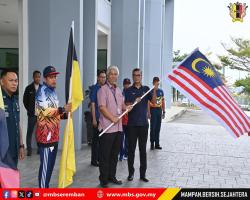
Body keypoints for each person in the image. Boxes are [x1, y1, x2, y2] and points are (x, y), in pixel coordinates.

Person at [36, 66, 71, 188]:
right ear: (45, 79)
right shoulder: (42, 91)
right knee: (45, 167)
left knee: (50, 167)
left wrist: (65, 115)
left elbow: (54, 114)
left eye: (55, 77)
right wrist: (62, 109)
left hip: (54, 137)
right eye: (51, 77)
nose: (54, 79)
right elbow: (44, 111)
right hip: (45, 137)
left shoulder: (53, 93)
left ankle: (45, 188)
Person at [97, 66, 132, 188]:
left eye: (115, 74)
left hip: (118, 128)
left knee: (114, 154)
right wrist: (112, 118)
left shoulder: (118, 90)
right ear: (107, 75)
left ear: (117, 75)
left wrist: (126, 108)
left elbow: (121, 104)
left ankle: (112, 176)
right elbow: (102, 107)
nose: (113, 76)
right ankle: (103, 179)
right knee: (105, 155)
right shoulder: (103, 90)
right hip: (107, 128)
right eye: (111, 74)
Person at [125, 68, 156, 182]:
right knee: (131, 150)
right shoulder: (128, 90)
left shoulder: (146, 89)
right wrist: (134, 101)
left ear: (141, 76)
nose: (136, 77)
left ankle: (142, 175)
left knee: (143, 150)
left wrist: (154, 90)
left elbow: (153, 101)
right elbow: (126, 104)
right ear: (133, 76)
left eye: (138, 75)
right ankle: (131, 174)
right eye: (135, 75)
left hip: (143, 125)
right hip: (132, 125)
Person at [0, 70, 25, 169]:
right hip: (3, 152)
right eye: (11, 80)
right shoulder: (0, 101)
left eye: (16, 81)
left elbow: (17, 123)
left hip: (14, 151)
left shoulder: (15, 100)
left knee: (11, 180)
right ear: (2, 82)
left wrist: (21, 145)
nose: (14, 83)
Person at [90, 70, 106, 167]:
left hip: (104, 120)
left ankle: (100, 159)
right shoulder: (96, 88)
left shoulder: (105, 88)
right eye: (101, 77)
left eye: (104, 77)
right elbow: (92, 104)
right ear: (98, 78)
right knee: (95, 141)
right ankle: (94, 160)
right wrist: (94, 119)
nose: (103, 79)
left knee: (102, 141)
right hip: (97, 119)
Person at [23, 70, 41, 156]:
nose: (38, 78)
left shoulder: (42, 88)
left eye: (39, 77)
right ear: (33, 77)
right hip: (32, 115)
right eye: (36, 76)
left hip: (41, 115)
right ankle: (29, 150)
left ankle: (39, 149)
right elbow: (25, 101)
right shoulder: (28, 88)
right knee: (29, 132)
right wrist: (30, 110)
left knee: (40, 132)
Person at [148, 77, 165, 150]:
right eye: (155, 82)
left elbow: (163, 102)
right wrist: (148, 113)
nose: (157, 84)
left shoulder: (161, 91)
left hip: (159, 110)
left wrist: (163, 111)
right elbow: (148, 103)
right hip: (153, 110)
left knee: (158, 128)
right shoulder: (150, 91)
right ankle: (152, 143)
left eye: (158, 82)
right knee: (153, 128)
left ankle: (157, 144)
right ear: (153, 83)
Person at [119, 78, 131, 161]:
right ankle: (121, 154)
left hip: (129, 120)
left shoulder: (131, 93)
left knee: (128, 138)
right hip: (122, 119)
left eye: (128, 84)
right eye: (126, 84)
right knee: (121, 138)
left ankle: (126, 153)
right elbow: (120, 104)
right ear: (123, 84)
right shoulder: (120, 93)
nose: (127, 85)